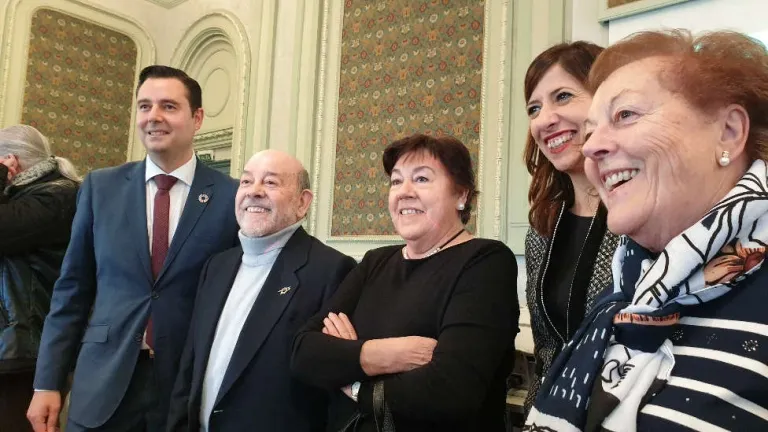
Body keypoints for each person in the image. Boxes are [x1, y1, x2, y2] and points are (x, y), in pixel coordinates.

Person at [525, 30, 768, 431]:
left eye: (625, 115)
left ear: (728, 132)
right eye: (591, 131)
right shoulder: (628, 287)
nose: (591, 147)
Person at [27, 65, 239, 432]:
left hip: (186, 385)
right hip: (102, 382)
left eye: (168, 106)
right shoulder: (100, 188)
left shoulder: (230, 196)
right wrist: (47, 381)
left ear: (197, 118)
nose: (153, 116)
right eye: (144, 106)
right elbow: (72, 291)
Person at [292, 133, 519, 431]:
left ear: (461, 195)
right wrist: (392, 354)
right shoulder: (376, 261)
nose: (404, 192)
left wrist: (352, 378)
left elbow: (451, 391)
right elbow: (304, 353)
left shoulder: (485, 262)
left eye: (421, 179)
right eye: (396, 181)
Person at [166, 149, 357, 431]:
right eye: (246, 181)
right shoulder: (216, 267)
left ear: (302, 202)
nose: (254, 191)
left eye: (270, 182)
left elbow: (334, 386)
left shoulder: (332, 271)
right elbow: (190, 366)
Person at [521, 41, 618, 411]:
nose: (544, 120)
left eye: (562, 96)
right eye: (534, 108)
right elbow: (546, 355)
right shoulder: (541, 230)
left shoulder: (645, 218)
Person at [0, 125, 80, 432]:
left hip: (29, 349)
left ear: (12, 161)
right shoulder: (27, 196)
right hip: (18, 343)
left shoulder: (55, 196)